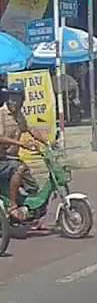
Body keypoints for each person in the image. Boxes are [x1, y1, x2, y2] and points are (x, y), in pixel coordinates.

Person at [0, 83, 49, 223]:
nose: (15, 101)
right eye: (12, 97)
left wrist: (46, 142)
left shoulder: (19, 116)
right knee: (19, 168)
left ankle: (34, 217)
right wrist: (21, 144)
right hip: (2, 160)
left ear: (22, 100)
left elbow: (29, 129)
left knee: (33, 188)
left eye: (18, 98)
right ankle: (12, 205)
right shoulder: (1, 114)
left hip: (13, 159)